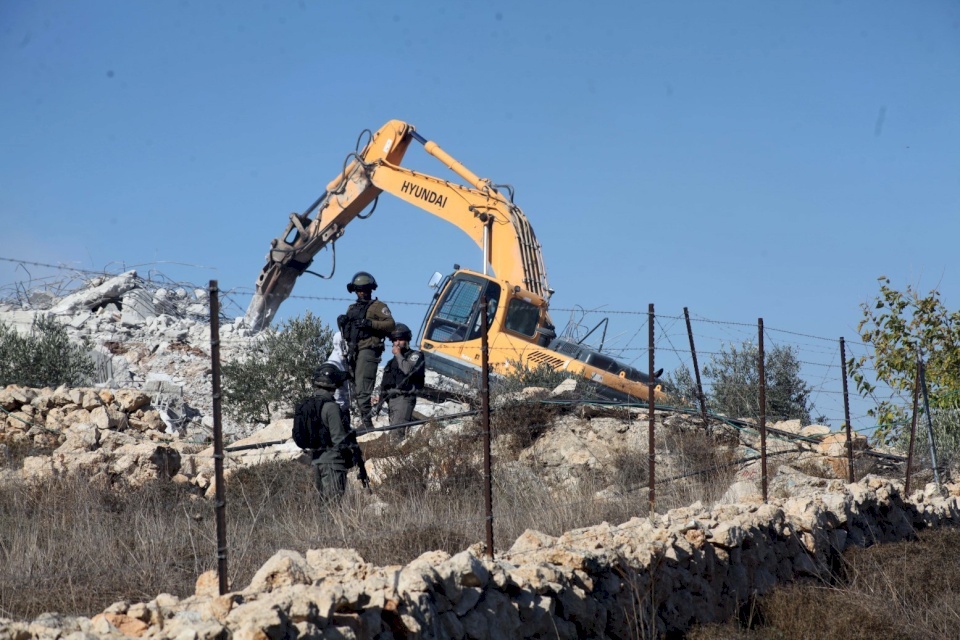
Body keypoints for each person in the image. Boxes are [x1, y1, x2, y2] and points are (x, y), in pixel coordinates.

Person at [337, 271, 395, 430]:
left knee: (363, 390)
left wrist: (370, 324)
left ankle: (368, 425)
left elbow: (390, 325)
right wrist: (342, 323)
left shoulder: (378, 307)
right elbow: (347, 332)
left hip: (369, 350)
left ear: (371, 289)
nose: (362, 293)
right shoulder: (352, 308)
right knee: (355, 390)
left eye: (365, 289)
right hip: (353, 350)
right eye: (359, 290)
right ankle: (364, 422)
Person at [294, 363, 357, 504]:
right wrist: (351, 454)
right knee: (333, 505)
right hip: (333, 463)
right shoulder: (331, 407)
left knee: (323, 504)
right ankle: (331, 527)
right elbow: (339, 439)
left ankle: (323, 527)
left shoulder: (310, 404)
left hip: (316, 461)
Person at [378, 322, 426, 441]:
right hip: (391, 400)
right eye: (394, 340)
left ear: (407, 340)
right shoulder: (391, 362)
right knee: (393, 434)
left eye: (400, 339)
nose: (397, 343)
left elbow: (407, 370)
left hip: (404, 398)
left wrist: (399, 355)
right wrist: (379, 401)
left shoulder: (415, 355)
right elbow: (385, 384)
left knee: (396, 436)